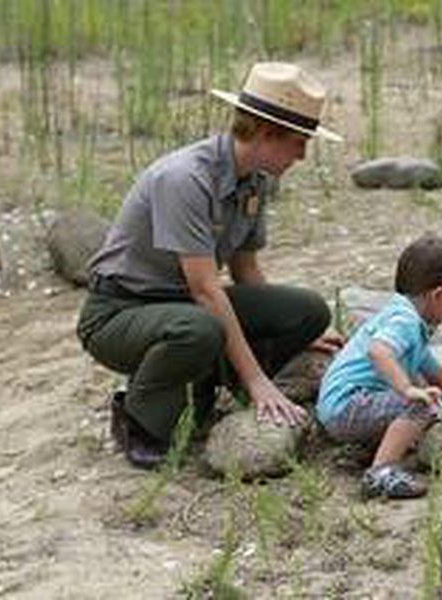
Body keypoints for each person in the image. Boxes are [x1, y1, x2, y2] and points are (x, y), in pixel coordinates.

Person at [76, 62, 344, 469]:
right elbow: (205, 289)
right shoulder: (185, 179)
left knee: (307, 310)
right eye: (299, 142)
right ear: (267, 135)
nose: (302, 156)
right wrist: (258, 380)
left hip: (182, 304)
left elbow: (245, 271)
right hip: (120, 313)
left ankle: (211, 383)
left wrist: (299, 329)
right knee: (200, 328)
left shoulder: (253, 179)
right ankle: (138, 418)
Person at [316, 235, 442, 499]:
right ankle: (380, 473)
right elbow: (379, 351)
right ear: (438, 295)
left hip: (337, 407)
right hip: (348, 406)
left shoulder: (402, 317)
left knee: (423, 395)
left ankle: (372, 450)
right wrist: (407, 390)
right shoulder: (405, 321)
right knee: (421, 404)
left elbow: (438, 374)